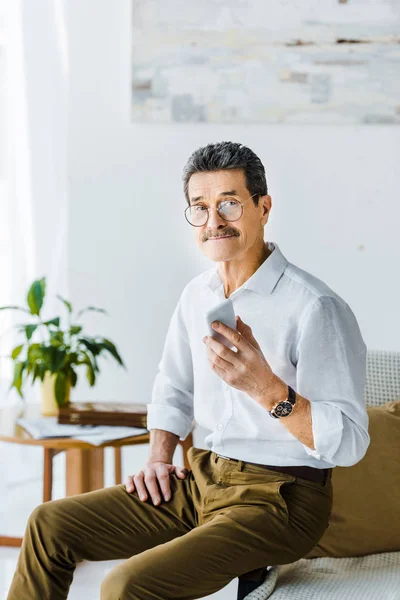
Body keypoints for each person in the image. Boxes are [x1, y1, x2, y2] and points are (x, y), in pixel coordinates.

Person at [7, 141, 370, 600]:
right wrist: (159, 458)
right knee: (49, 525)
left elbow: (352, 443)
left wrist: (266, 388)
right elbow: (173, 387)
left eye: (229, 204)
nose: (214, 221)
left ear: (263, 207)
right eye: (200, 208)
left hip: (281, 499)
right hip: (204, 478)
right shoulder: (197, 294)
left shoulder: (315, 307)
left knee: (126, 585)